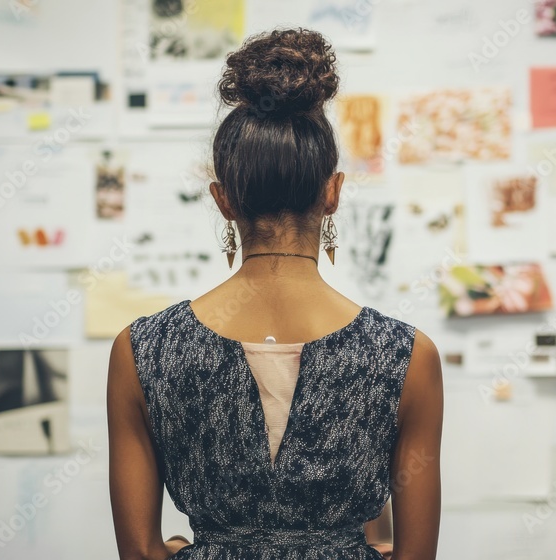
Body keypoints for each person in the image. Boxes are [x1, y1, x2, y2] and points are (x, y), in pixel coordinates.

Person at [107, 28, 443, 559]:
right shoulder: (406, 355)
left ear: (222, 199)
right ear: (332, 193)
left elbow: (139, 553)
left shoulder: (141, 350)